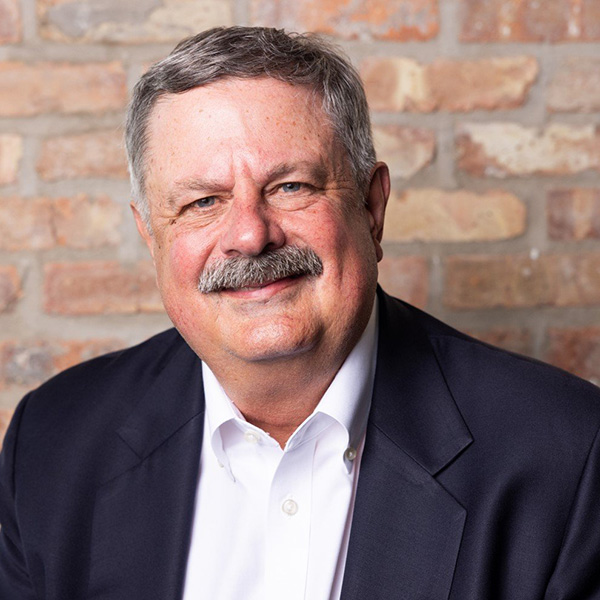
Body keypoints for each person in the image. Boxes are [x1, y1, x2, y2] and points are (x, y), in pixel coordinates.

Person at [1, 26, 599, 600]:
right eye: (203, 202)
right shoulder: (51, 444)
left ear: (372, 208)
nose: (249, 235)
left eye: (291, 186)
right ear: (150, 236)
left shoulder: (567, 456)